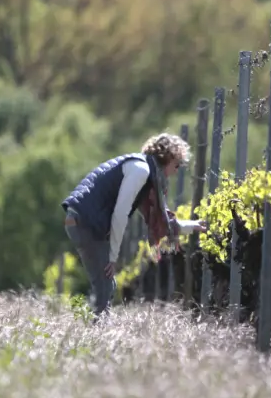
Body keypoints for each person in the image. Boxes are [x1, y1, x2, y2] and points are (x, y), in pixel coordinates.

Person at [61, 133, 208, 319]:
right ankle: (96, 336)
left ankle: (94, 332)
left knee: (106, 285)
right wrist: (113, 256)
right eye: (177, 164)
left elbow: (162, 221)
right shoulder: (141, 171)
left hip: (83, 222)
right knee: (104, 286)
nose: (177, 170)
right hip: (85, 223)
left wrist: (193, 225)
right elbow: (120, 214)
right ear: (168, 157)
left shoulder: (145, 174)